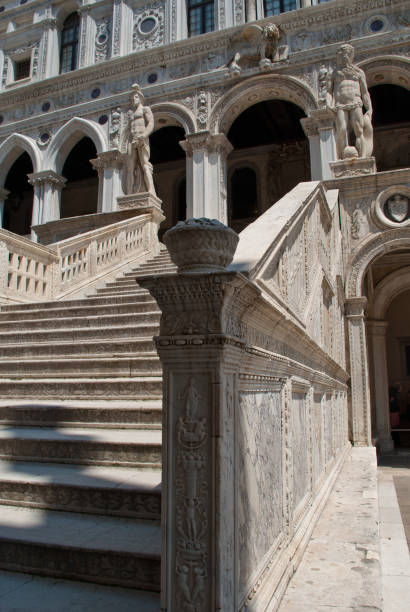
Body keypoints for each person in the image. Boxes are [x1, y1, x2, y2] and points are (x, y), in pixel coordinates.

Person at [327, 43, 373, 160]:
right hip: (340, 104)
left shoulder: (358, 72)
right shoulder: (333, 73)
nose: (341, 57)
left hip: (356, 102)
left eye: (344, 55)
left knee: (359, 129)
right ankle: (342, 158)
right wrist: (328, 103)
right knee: (341, 130)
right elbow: (329, 91)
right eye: (340, 55)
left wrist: (369, 109)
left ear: (350, 55)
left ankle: (362, 157)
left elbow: (364, 92)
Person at [126, 84, 156, 195]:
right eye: (132, 98)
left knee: (144, 164)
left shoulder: (145, 109)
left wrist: (144, 135)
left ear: (140, 98)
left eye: (135, 97)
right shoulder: (131, 114)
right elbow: (129, 130)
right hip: (132, 140)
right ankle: (129, 193)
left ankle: (151, 190)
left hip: (142, 138)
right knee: (130, 167)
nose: (133, 100)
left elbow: (151, 123)